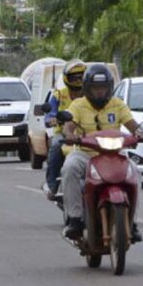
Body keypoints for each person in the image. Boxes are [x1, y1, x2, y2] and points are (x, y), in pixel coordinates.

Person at [60, 64, 143, 242]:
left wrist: (142, 133)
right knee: (69, 167)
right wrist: (70, 136)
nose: (100, 92)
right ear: (87, 88)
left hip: (114, 154)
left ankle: (132, 222)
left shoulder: (117, 104)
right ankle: (75, 219)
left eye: (103, 88)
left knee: (135, 171)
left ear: (109, 88)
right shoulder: (78, 105)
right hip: (86, 153)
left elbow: (132, 125)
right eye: (95, 88)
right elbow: (68, 127)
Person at [43, 60, 87, 200]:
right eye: (75, 77)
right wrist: (51, 120)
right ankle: (52, 185)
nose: (78, 80)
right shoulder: (58, 95)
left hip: (87, 133)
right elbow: (49, 114)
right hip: (63, 134)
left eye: (81, 76)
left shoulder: (91, 95)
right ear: (67, 78)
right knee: (56, 146)